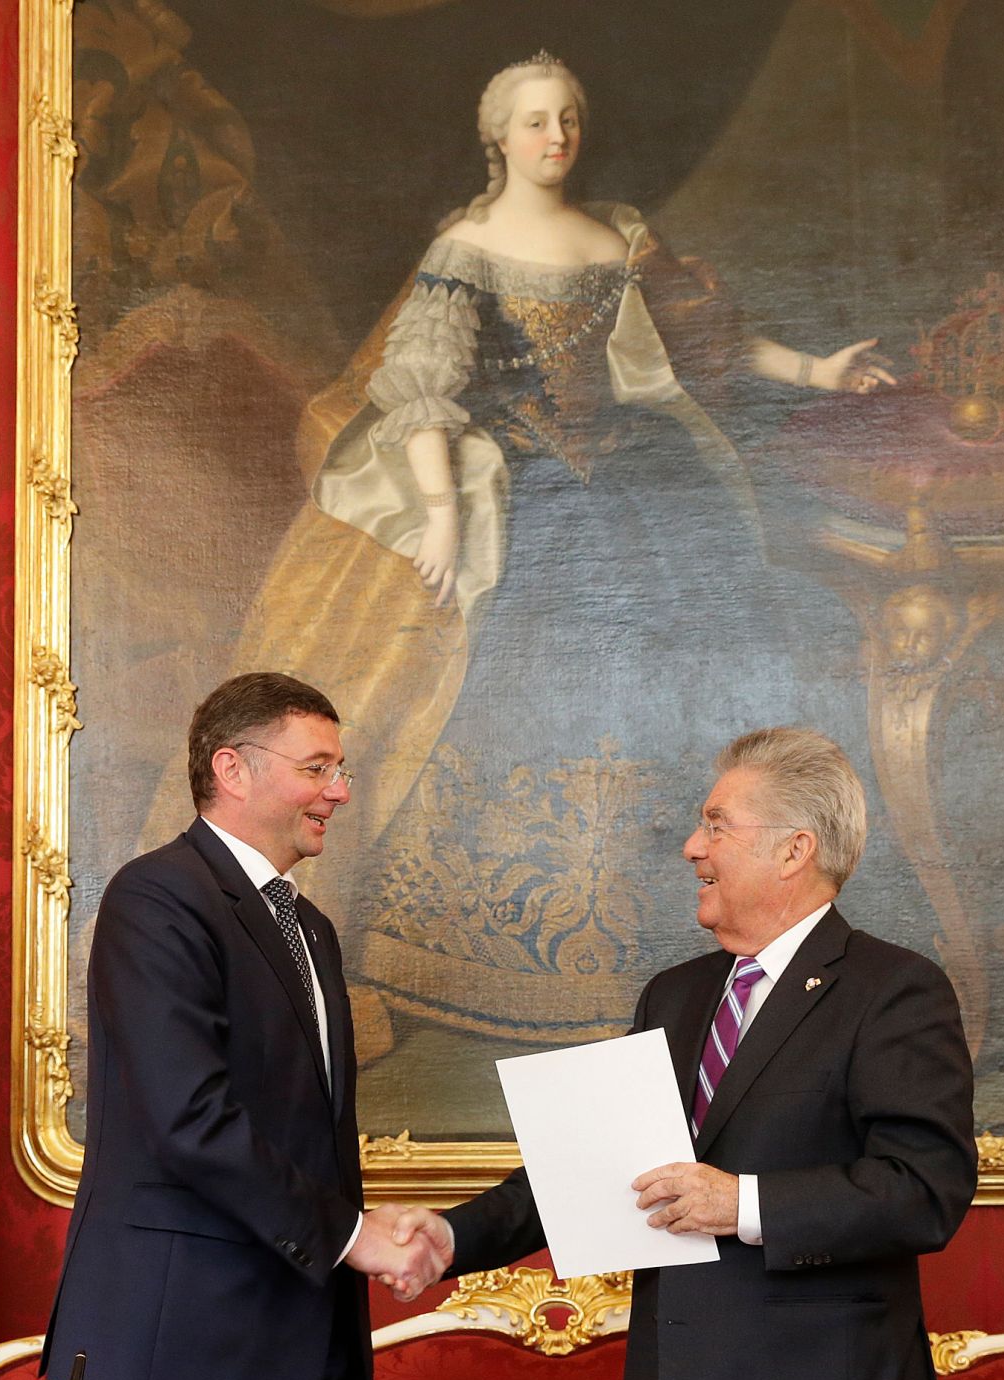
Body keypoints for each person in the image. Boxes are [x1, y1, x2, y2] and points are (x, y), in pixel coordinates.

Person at [159, 52, 896, 1058]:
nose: (555, 137)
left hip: (636, 471)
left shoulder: (618, 234)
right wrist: (442, 517)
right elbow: (420, 386)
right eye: (535, 121)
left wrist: (816, 368)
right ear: (497, 137)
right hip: (515, 476)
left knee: (688, 655)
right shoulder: (466, 244)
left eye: (567, 120)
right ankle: (475, 948)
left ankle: (668, 927)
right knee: (508, 661)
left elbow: (703, 345)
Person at [393, 727, 977, 1380]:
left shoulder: (893, 989)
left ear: (794, 849)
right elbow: (601, 1168)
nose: (691, 848)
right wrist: (453, 1234)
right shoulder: (676, 995)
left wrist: (743, 1201)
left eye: (715, 825)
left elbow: (924, 1189)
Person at [41, 672, 448, 1380]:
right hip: (167, 1363)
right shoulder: (156, 898)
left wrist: (348, 1368)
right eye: (317, 767)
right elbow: (190, 1119)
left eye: (340, 770)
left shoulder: (313, 932)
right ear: (233, 768)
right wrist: (357, 1239)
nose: (338, 791)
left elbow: (327, 1154)